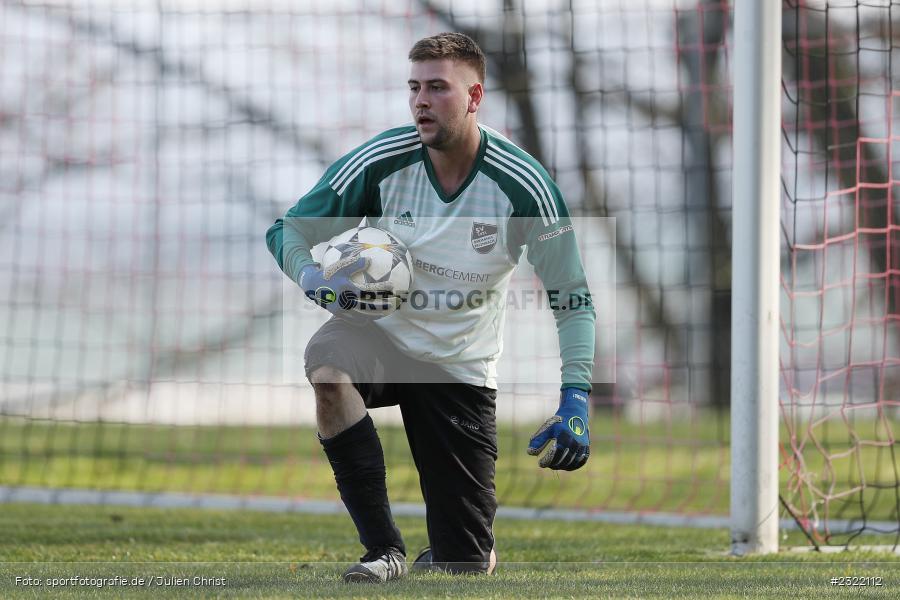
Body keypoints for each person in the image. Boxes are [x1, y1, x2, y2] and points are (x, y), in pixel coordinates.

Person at [266, 32, 595, 583]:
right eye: (414, 87)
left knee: (464, 566)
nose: (421, 100)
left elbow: (572, 297)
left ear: (474, 98)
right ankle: (382, 550)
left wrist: (576, 396)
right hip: (379, 336)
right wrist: (310, 274)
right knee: (327, 370)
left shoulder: (524, 186)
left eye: (438, 88)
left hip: (458, 363)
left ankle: (461, 547)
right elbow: (289, 230)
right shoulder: (381, 161)